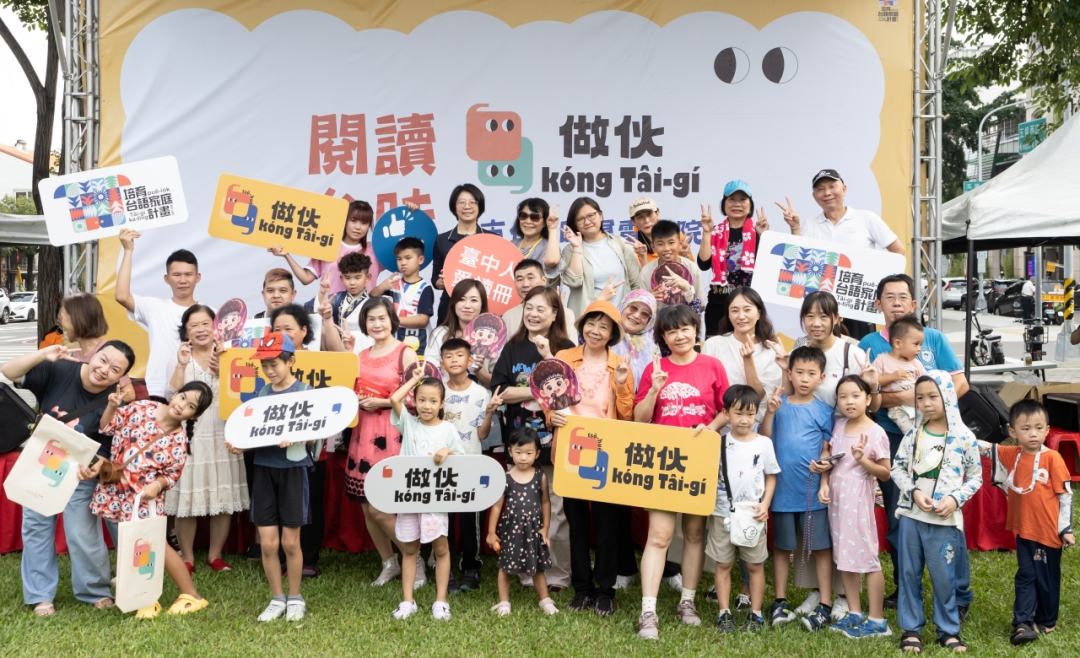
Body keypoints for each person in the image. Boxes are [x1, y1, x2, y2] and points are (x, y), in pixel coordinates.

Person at [859, 273, 969, 607]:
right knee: (900, 513)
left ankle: (956, 593)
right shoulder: (868, 345)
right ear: (878, 304)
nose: (896, 303)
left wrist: (930, 409)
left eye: (902, 297)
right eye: (889, 297)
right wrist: (906, 398)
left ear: (913, 303)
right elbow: (868, 398)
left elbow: (960, 384)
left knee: (946, 513)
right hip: (892, 441)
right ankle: (906, 589)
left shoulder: (932, 338)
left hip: (937, 438)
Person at [3, 340, 135, 616]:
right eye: (103, 360)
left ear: (121, 377)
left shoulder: (115, 401)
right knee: (37, 528)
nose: (104, 370)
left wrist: (95, 468)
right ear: (94, 355)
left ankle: (94, 590)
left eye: (115, 369)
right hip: (41, 464)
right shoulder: (60, 369)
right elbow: (9, 371)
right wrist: (43, 354)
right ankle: (40, 595)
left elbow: (109, 449)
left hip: (80, 473)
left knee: (81, 532)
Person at [633, 304, 730, 640]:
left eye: (685, 328)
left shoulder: (713, 366)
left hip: (700, 458)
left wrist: (709, 428)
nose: (679, 336)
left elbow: (726, 410)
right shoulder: (654, 368)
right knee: (659, 536)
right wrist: (654, 389)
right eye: (671, 331)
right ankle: (648, 611)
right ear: (663, 337)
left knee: (693, 533)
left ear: (695, 330)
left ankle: (687, 601)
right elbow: (640, 418)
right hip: (663, 461)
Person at [82, 380, 214, 618]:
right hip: (117, 490)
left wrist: (157, 485)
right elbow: (106, 427)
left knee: (154, 546)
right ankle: (142, 595)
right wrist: (112, 406)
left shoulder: (178, 440)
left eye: (191, 406)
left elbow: (172, 475)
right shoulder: (142, 406)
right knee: (133, 544)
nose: (182, 405)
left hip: (143, 498)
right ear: (176, 394)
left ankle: (191, 595)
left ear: (195, 416)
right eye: (183, 397)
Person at [546, 300, 634, 617]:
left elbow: (627, 414)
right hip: (570, 449)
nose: (595, 331)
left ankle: (605, 591)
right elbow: (549, 398)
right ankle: (582, 589)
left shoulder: (620, 365)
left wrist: (621, 384)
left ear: (612, 334)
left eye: (603, 326)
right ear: (582, 326)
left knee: (608, 524)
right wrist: (551, 416)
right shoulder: (564, 358)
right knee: (577, 523)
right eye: (591, 323)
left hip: (605, 452)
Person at [489, 286, 575, 592]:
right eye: (529, 307)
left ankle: (558, 575)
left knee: (556, 510)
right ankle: (526, 573)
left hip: (555, 442)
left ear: (554, 314)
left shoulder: (565, 347)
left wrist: (529, 388)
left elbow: (570, 392)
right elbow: (500, 392)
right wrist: (540, 389)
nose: (533, 314)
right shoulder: (512, 347)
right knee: (522, 510)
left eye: (541, 309)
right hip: (519, 445)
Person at [892, 371, 982, 654]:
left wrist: (955, 499)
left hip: (944, 521)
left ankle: (948, 630)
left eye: (933, 396)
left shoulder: (964, 437)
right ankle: (911, 629)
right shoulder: (913, 435)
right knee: (909, 573)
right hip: (911, 518)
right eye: (920, 398)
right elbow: (897, 468)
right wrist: (913, 492)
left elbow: (975, 477)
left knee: (944, 577)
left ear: (948, 397)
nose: (926, 403)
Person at [225, 333, 311, 621]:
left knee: (290, 543)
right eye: (264, 365)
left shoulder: (305, 391)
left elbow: (317, 433)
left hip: (293, 470)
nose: (269, 370)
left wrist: (297, 436)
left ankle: (295, 597)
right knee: (269, 543)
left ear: (291, 361)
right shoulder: (261, 394)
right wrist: (240, 445)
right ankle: (277, 598)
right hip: (263, 468)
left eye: (274, 364)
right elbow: (254, 432)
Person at [976, 400, 1074, 645]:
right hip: (1023, 532)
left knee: (1046, 579)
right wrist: (956, 434)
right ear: (1013, 432)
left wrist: (1065, 528)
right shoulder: (1013, 454)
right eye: (1026, 428)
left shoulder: (1053, 458)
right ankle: (1023, 623)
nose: (1033, 434)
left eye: (1039, 428)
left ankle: (1047, 621)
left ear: (1047, 430)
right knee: (1026, 576)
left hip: (1047, 534)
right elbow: (986, 448)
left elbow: (1065, 496)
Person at [164, 305, 249, 573]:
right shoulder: (180, 357)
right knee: (186, 499)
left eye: (205, 324)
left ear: (216, 326)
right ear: (186, 331)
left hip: (223, 433)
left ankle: (215, 555)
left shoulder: (231, 354)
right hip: (190, 437)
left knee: (222, 498)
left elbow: (244, 393)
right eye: (193, 325)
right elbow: (171, 397)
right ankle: (187, 557)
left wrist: (226, 370)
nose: (200, 329)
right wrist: (181, 364)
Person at [758, 346, 835, 632]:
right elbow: (765, 438)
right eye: (799, 372)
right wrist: (769, 412)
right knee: (782, 547)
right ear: (789, 374)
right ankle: (780, 601)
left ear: (821, 378)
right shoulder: (778, 404)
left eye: (811, 373)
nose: (804, 378)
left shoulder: (824, 410)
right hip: (781, 491)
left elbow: (827, 449)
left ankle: (825, 603)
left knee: (820, 548)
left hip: (812, 492)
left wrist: (824, 468)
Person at [345, 297, 419, 586]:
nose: (377, 324)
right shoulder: (360, 356)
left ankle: (413, 558)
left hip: (393, 434)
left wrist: (384, 402)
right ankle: (389, 562)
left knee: (382, 506)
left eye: (382, 318)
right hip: (362, 433)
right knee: (367, 507)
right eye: (371, 319)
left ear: (392, 320)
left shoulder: (405, 353)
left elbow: (417, 397)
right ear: (364, 324)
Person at [780, 169, 904, 339]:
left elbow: (898, 250)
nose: (827, 193)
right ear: (814, 196)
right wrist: (795, 227)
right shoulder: (810, 225)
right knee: (824, 352)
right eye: (821, 189)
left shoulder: (866, 218)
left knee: (860, 350)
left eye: (832, 186)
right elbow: (800, 261)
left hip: (858, 306)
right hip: (823, 308)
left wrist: (877, 286)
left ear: (844, 189)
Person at [817, 375, 892, 638]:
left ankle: (877, 621)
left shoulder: (876, 432)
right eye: (843, 396)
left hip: (858, 501)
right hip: (837, 501)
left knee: (868, 559)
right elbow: (830, 458)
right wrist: (823, 481)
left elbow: (885, 473)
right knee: (845, 558)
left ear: (868, 399)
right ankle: (855, 613)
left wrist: (863, 460)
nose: (849, 401)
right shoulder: (838, 426)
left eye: (856, 395)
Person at [387, 371, 466, 620]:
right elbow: (394, 399)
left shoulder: (448, 429)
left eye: (433, 401)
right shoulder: (409, 423)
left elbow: (462, 461)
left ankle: (440, 601)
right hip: (410, 500)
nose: (426, 406)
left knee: (441, 549)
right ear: (414, 401)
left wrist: (448, 452)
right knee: (410, 549)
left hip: (436, 503)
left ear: (442, 404)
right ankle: (407, 601)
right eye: (421, 400)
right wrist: (415, 380)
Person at [709, 385, 779, 635]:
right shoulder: (718, 443)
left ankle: (756, 613)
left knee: (755, 565)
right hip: (722, 513)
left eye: (750, 414)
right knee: (723, 564)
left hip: (753, 514)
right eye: (738, 413)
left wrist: (765, 503)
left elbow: (771, 476)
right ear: (726, 413)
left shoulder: (764, 443)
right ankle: (724, 612)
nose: (744, 420)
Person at [440, 338, 502, 592]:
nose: (454, 360)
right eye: (449, 356)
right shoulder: (438, 391)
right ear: (441, 363)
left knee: (470, 518)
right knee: (443, 518)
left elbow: (483, 435)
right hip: (442, 465)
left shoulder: (480, 393)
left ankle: (471, 567)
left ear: (469, 360)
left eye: (459, 355)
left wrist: (489, 412)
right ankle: (444, 567)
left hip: (471, 464)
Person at [269, 304, 327, 578]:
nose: (282, 333)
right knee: (279, 506)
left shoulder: (322, 361)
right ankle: (281, 559)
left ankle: (309, 559)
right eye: (276, 329)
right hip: (273, 453)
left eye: (288, 328)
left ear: (304, 331)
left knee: (309, 504)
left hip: (309, 450)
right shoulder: (267, 363)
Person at [114, 228, 201, 398]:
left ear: (197, 277)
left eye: (188, 274)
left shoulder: (210, 313)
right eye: (176, 275)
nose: (183, 280)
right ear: (166, 279)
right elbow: (121, 296)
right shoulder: (154, 307)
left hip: (197, 392)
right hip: (159, 390)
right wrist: (128, 251)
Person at [486, 427, 559, 617]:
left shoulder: (540, 476)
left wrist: (545, 528)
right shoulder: (506, 478)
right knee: (505, 567)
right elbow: (496, 506)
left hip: (533, 530)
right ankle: (504, 602)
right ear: (510, 451)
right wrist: (491, 532)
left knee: (537, 567)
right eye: (518, 452)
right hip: (511, 530)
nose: (523, 457)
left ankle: (545, 599)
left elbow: (546, 502)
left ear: (537, 454)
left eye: (528, 453)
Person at [697, 181, 770, 336]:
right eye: (732, 199)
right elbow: (703, 264)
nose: (737, 204)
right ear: (724, 204)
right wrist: (707, 233)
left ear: (750, 205)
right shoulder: (715, 232)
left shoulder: (758, 232)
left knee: (748, 348)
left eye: (743, 199)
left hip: (749, 306)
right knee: (716, 349)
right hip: (718, 305)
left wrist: (763, 236)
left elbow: (767, 269)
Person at [269, 199, 380, 295]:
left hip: (365, 311)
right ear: (345, 220)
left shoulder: (376, 249)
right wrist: (287, 256)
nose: (358, 227)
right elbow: (306, 278)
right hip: (330, 310)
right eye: (353, 221)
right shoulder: (328, 245)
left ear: (369, 226)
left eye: (364, 223)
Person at [703, 287, 782, 420]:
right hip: (717, 425)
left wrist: (748, 360)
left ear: (759, 313)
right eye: (734, 310)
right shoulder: (713, 345)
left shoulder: (773, 350)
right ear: (728, 314)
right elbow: (705, 389)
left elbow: (759, 398)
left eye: (747, 309)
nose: (741, 316)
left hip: (754, 426)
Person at [793, 291, 875, 411]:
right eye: (810, 316)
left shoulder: (854, 354)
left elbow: (873, 407)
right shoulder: (796, 354)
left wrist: (873, 386)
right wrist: (785, 370)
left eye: (823, 317)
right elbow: (787, 398)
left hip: (842, 422)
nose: (816, 324)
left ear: (836, 318)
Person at [559, 196, 641, 316]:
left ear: (600, 216)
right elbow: (574, 282)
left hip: (619, 319)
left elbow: (636, 285)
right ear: (575, 224)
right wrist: (577, 247)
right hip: (587, 318)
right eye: (580, 219)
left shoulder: (621, 244)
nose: (587, 222)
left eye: (591, 216)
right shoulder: (570, 250)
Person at [432, 184, 493, 324]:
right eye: (462, 202)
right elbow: (435, 278)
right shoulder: (442, 240)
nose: (467, 206)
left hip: (483, 306)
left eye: (472, 202)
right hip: (450, 306)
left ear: (480, 206)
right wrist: (441, 282)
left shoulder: (492, 239)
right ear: (454, 206)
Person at [57, 293, 136, 402]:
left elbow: (129, 394)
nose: (60, 322)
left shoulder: (108, 352)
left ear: (75, 319)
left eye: (62, 316)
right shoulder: (76, 352)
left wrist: (95, 405)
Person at [373, 237, 434, 354]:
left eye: (408, 258)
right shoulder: (393, 282)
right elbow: (371, 298)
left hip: (418, 342)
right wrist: (382, 287)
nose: (403, 262)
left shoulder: (424, 288)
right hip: (393, 340)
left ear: (420, 259)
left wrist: (393, 319)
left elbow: (423, 320)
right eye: (399, 259)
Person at [638, 219, 707, 315]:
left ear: (680, 244)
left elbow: (701, 306)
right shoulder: (646, 272)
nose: (666, 249)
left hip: (686, 321)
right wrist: (649, 299)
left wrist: (687, 291)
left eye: (671, 243)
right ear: (653, 247)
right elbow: (642, 310)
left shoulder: (691, 268)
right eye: (660, 244)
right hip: (658, 323)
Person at [873, 315, 926, 435]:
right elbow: (873, 381)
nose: (919, 348)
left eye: (920, 344)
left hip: (917, 405)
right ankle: (913, 441)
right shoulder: (882, 360)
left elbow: (925, 381)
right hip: (897, 408)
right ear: (898, 344)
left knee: (929, 423)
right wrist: (891, 377)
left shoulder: (916, 364)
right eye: (916, 344)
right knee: (910, 431)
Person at [503, 259, 579, 343]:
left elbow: (571, 349)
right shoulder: (508, 316)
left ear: (543, 280)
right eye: (520, 279)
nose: (525, 284)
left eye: (530, 278)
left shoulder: (565, 314)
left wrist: (557, 317)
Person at [424, 278, 487, 377]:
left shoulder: (491, 338)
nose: (467, 305)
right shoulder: (439, 334)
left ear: (482, 305)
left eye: (474, 300)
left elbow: (499, 380)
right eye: (461, 299)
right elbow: (429, 373)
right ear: (453, 304)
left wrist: (478, 371)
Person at [319, 252, 373, 355]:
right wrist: (322, 293)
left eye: (357, 277)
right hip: (343, 351)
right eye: (347, 278)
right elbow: (322, 308)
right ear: (341, 278)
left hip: (368, 351)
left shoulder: (375, 302)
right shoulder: (335, 299)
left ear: (368, 277)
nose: (352, 282)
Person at [611, 290, 658, 390]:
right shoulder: (606, 332)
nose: (636, 315)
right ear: (624, 305)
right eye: (633, 307)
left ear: (650, 320)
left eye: (644, 314)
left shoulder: (656, 340)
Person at [624, 197, 690, 267]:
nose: (647, 221)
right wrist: (643, 256)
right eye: (640, 217)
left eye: (649, 214)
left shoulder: (677, 237)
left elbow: (691, 271)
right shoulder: (635, 250)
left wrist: (684, 256)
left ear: (658, 213)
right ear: (633, 221)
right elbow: (644, 274)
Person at [510, 197, 562, 277]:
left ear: (545, 222)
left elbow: (552, 261)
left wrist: (552, 229)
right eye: (523, 215)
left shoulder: (549, 247)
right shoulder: (511, 245)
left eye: (534, 217)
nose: (528, 221)